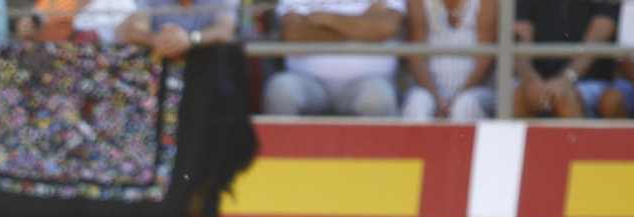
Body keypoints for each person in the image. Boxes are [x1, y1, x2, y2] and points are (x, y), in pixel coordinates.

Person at [262, 0, 405, 116]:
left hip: (369, 81)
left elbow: (385, 28)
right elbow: (293, 35)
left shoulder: (325, 17)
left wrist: (327, 19)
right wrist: (364, 24)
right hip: (307, 81)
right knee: (280, 90)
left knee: (377, 98)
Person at [512, 0, 617, 118]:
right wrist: (530, 80)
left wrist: (567, 78)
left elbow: (595, 44)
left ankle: (576, 137)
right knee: (520, 95)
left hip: (588, 81)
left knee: (565, 98)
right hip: (537, 80)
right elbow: (519, 42)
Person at [401, 0, 496, 119]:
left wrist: (454, 100)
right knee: (418, 102)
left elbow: (485, 59)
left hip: (476, 89)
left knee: (465, 105)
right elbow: (416, 57)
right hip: (429, 89)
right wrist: (438, 99)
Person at [116, 0, 238, 54]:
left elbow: (224, 31)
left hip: (209, 75)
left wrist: (190, 39)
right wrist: (163, 41)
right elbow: (134, 30)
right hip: (160, 73)